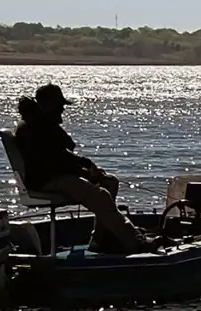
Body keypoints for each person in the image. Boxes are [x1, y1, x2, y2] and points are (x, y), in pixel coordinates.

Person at [13, 84, 159, 254]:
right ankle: (136, 242)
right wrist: (85, 173)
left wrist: (88, 165)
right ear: (49, 105)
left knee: (109, 182)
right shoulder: (33, 127)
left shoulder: (42, 123)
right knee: (101, 196)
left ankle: (99, 240)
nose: (62, 110)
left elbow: (61, 155)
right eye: (60, 106)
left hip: (55, 174)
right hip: (44, 180)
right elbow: (53, 163)